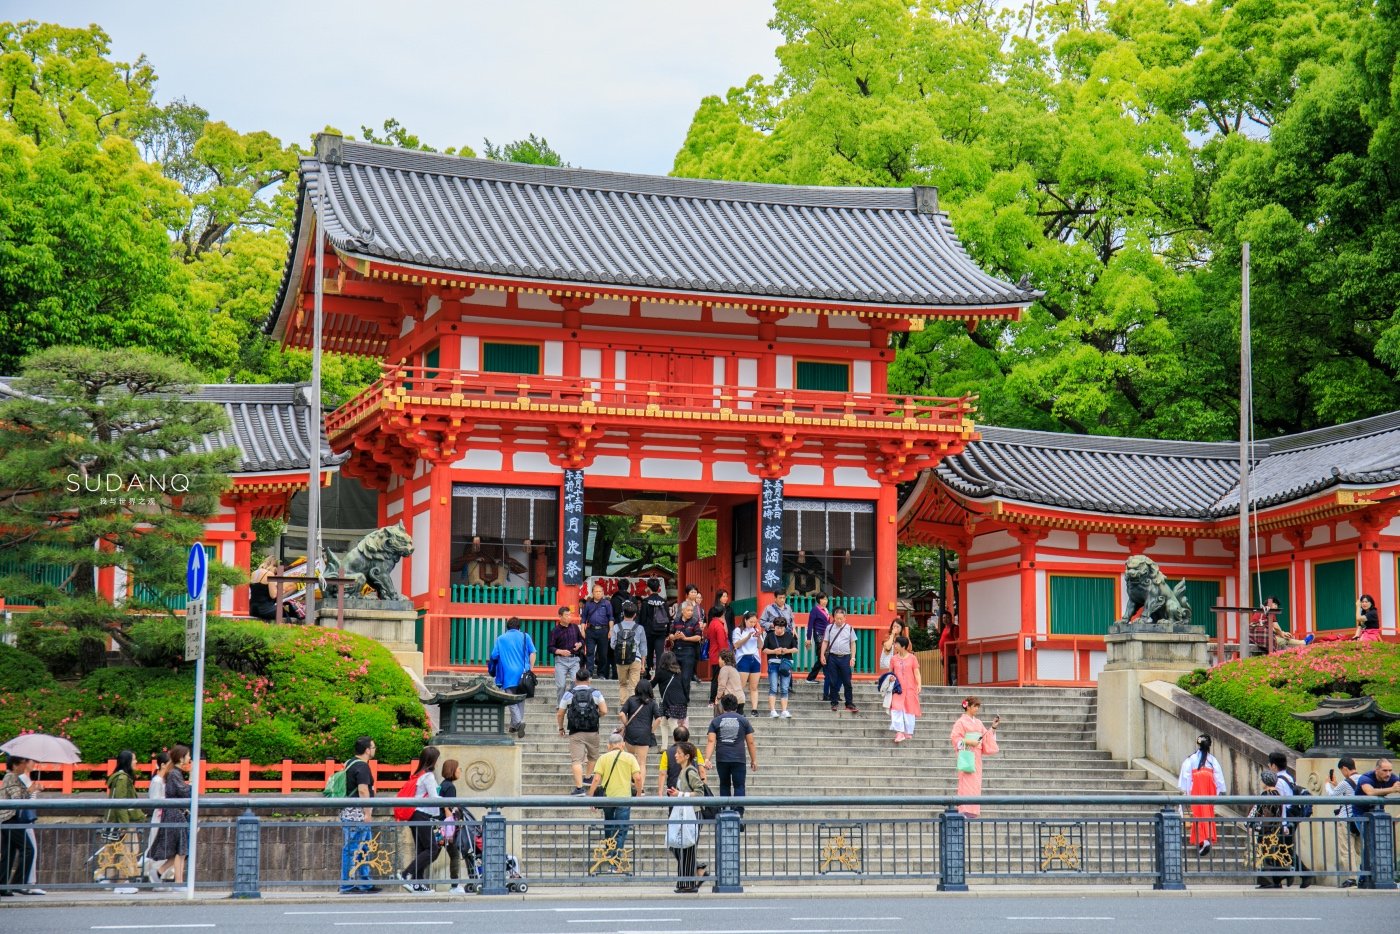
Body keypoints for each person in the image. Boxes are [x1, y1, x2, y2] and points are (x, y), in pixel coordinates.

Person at [589, 732, 643, 856]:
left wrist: (590, 797)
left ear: (609, 746)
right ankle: (617, 858)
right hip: (624, 799)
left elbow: (596, 779)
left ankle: (609, 851)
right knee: (621, 828)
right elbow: (638, 778)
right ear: (623, 745)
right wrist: (639, 794)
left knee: (609, 824)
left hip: (607, 799)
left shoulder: (603, 758)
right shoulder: (630, 758)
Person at [338, 736, 380, 894]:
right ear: (367, 750)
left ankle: (365, 883)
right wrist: (367, 813)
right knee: (353, 848)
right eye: (373, 747)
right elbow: (363, 790)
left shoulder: (349, 763)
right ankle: (347, 884)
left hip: (349, 811)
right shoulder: (362, 766)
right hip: (358, 813)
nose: (374, 750)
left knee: (364, 848)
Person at [705, 694, 758, 817]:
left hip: (722, 758)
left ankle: (726, 811)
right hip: (739, 758)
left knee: (724, 784)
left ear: (722, 706)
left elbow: (711, 741)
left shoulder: (716, 721)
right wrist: (754, 759)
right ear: (736, 706)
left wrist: (707, 759)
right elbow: (750, 741)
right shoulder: (743, 720)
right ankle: (738, 813)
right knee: (739, 785)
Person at [398, 745, 442, 893]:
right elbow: (434, 798)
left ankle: (418, 883)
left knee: (422, 850)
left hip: (414, 814)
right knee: (432, 849)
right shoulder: (428, 777)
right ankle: (406, 874)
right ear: (433, 760)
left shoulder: (418, 775)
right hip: (422, 814)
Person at [666, 741, 708, 893]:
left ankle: (688, 883)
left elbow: (700, 792)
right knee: (680, 847)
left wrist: (680, 794)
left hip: (693, 813)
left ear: (687, 756)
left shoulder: (690, 771)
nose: (675, 755)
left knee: (688, 848)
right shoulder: (683, 770)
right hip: (685, 813)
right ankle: (693, 874)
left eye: (678, 753)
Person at [1267, 750, 1313, 887]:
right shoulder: (1289, 777)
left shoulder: (1278, 782)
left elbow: (1281, 804)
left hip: (1286, 818)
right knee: (1284, 847)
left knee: (1285, 848)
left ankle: (1302, 873)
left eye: (1270, 765)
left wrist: (1284, 824)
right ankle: (1281, 876)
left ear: (1274, 766)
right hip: (1291, 816)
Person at [558, 670, 608, 796]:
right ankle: (587, 777)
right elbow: (604, 710)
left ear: (575, 680)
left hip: (575, 731)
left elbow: (560, 713)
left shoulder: (568, 694)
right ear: (589, 680)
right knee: (593, 756)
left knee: (576, 760)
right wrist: (596, 716)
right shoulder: (596, 693)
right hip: (592, 730)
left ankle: (579, 788)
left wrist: (561, 728)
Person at [102, 750, 146, 893]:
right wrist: (125, 825)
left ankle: (109, 879)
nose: (136, 762)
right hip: (124, 821)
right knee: (128, 851)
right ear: (128, 761)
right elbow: (121, 803)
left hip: (114, 820)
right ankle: (122, 883)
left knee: (114, 850)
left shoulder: (118, 777)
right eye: (134, 759)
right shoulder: (123, 779)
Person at [1177, 734, 1227, 856]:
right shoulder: (1213, 760)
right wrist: (1217, 792)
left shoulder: (1191, 759)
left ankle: (1203, 841)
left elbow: (1186, 777)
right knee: (1207, 813)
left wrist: (1188, 792)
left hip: (1197, 787)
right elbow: (1219, 779)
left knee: (1197, 814)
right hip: (1209, 788)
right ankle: (1204, 840)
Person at [149, 745, 192, 886]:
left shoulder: (175, 773)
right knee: (181, 850)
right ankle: (177, 881)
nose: (189, 758)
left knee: (181, 850)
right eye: (188, 756)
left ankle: (161, 873)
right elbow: (184, 792)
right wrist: (191, 781)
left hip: (176, 813)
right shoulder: (174, 773)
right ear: (181, 758)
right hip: (175, 814)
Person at [950, 697, 1000, 817]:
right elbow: (955, 738)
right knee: (966, 782)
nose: (977, 709)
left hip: (976, 756)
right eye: (975, 706)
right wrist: (969, 742)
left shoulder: (978, 722)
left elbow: (985, 736)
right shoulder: (961, 722)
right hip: (967, 753)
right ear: (968, 706)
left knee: (975, 782)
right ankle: (964, 809)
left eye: (978, 706)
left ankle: (973, 810)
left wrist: (993, 727)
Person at [1354, 757, 1398, 887]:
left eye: (1390, 770)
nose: (1388, 774)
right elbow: (1370, 792)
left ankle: (1381, 877)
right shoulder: (1366, 778)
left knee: (1381, 843)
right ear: (1376, 770)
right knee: (1369, 843)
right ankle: (1363, 878)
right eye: (1385, 770)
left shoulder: (1393, 779)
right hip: (1361, 814)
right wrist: (1392, 789)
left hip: (1379, 813)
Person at [0, 754, 40, 896]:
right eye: (23, 763)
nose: (25, 766)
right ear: (16, 765)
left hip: (6, 819)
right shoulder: (11, 777)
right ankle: (17, 883)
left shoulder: (11, 777)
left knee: (8, 853)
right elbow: (17, 799)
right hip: (11, 818)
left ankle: (3, 886)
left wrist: (31, 790)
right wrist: (30, 791)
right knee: (28, 849)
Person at [491, 617, 537, 737]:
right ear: (519, 627)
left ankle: (518, 722)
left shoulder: (500, 639)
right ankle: (514, 726)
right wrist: (530, 668)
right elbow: (533, 652)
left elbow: (494, 655)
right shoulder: (525, 636)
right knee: (520, 700)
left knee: (511, 700)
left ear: (507, 627)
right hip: (523, 674)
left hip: (508, 674)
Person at [1325, 755, 1362, 888]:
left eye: (1342, 771)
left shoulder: (1345, 782)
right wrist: (1336, 785)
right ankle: (1367, 873)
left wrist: (1327, 785)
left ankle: (1352, 878)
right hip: (1360, 819)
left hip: (1346, 820)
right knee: (1361, 849)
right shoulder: (1364, 779)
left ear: (1345, 768)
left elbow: (1331, 796)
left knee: (1346, 850)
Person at [1247, 770, 1288, 888]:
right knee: (1273, 853)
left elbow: (1257, 811)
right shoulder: (1278, 794)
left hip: (1265, 830)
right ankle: (1276, 881)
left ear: (1265, 781)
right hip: (1276, 829)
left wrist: (1250, 825)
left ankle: (1267, 881)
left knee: (1264, 854)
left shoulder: (1265, 795)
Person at [619, 679, 660, 790]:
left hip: (631, 733)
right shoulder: (652, 702)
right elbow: (659, 719)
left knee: (631, 758)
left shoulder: (631, 700)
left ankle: (630, 783)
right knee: (642, 762)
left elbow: (621, 714)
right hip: (644, 733)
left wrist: (626, 724)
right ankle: (640, 789)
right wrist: (651, 730)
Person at [821, 607, 859, 714]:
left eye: (841, 619)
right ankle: (834, 702)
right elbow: (825, 641)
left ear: (845, 618)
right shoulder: (829, 628)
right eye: (837, 618)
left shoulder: (849, 628)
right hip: (832, 657)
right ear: (834, 618)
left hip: (845, 657)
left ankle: (849, 703)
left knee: (847, 681)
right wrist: (822, 655)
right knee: (833, 680)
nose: (839, 621)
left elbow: (853, 643)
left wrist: (853, 657)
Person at [438, 759, 467, 895]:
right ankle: (455, 885)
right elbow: (447, 808)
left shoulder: (444, 785)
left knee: (431, 853)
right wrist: (451, 830)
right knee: (455, 855)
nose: (460, 770)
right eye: (458, 768)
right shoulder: (450, 787)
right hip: (445, 827)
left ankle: (413, 877)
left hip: (439, 825)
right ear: (452, 770)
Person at [887, 635, 922, 744]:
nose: (894, 645)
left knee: (909, 709)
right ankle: (899, 732)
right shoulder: (893, 659)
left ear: (903, 646)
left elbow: (916, 672)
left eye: (896, 644)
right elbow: (890, 672)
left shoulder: (912, 658)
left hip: (910, 688)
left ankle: (908, 731)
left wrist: (919, 684)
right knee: (896, 709)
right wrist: (890, 678)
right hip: (897, 688)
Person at [611, 601, 648, 705]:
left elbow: (613, 645)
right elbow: (643, 648)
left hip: (621, 659)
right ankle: (632, 708)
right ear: (635, 615)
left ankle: (623, 707)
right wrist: (643, 665)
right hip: (635, 659)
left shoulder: (616, 627)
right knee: (633, 686)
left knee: (623, 684)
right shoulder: (640, 628)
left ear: (623, 613)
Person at [249, 555, 305, 622]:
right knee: (292, 614)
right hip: (265, 610)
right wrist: (284, 590)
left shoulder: (254, 573)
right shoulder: (269, 574)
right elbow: (273, 595)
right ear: (274, 566)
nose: (275, 572)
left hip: (253, 609)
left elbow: (261, 590)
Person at [143, 750, 170, 886]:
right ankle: (150, 875)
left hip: (164, 816)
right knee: (155, 847)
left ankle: (157, 877)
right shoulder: (157, 780)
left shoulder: (163, 780)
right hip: (159, 816)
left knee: (161, 848)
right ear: (164, 765)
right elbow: (154, 800)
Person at [763, 616, 798, 719]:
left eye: (782, 628)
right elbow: (764, 650)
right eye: (778, 628)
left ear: (785, 627)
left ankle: (784, 710)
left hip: (785, 663)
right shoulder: (769, 636)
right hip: (773, 663)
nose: (779, 630)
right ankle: (773, 710)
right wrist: (774, 651)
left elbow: (795, 649)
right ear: (774, 627)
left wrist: (786, 650)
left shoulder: (789, 636)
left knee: (784, 688)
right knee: (773, 687)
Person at [549, 606, 586, 704]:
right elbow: (550, 647)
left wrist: (580, 644)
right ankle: (560, 705)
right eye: (567, 615)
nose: (569, 617)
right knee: (561, 685)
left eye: (570, 615)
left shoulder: (574, 627)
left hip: (574, 659)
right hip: (561, 661)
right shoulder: (555, 631)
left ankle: (573, 703)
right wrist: (560, 651)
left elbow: (582, 639)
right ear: (560, 616)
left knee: (576, 682)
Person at [658, 726, 708, 797]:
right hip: (692, 790)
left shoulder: (667, 753)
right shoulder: (696, 751)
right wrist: (705, 786)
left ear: (674, 738)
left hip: (673, 790)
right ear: (688, 738)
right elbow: (702, 771)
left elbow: (662, 773)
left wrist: (660, 792)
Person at [670, 601, 704, 697]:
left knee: (685, 677)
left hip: (689, 651)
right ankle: (675, 698)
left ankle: (685, 699)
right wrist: (675, 637)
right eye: (688, 610)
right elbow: (670, 635)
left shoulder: (694, 621)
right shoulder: (676, 621)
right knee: (675, 677)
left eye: (691, 610)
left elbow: (698, 637)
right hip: (676, 651)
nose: (690, 612)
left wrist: (685, 638)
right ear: (682, 611)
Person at [581, 582, 615, 679]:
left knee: (603, 654)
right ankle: (589, 673)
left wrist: (611, 630)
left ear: (603, 593)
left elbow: (611, 618)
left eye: (600, 591)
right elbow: (583, 618)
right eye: (596, 591)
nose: (598, 593)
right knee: (590, 652)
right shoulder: (588, 604)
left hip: (603, 631)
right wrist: (583, 630)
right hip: (590, 630)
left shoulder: (607, 603)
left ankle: (601, 674)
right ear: (592, 593)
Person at [731, 610, 763, 712]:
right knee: (741, 685)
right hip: (743, 658)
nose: (753, 624)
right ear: (745, 620)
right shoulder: (738, 630)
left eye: (755, 622)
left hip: (755, 658)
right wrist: (748, 637)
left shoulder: (756, 630)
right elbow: (736, 645)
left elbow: (760, 646)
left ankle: (754, 709)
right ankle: (739, 708)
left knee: (754, 686)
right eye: (751, 622)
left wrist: (758, 637)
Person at [705, 592, 733, 704]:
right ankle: (713, 700)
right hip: (719, 656)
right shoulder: (719, 626)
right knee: (718, 679)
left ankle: (714, 699)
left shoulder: (712, 623)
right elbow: (722, 643)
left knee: (716, 678)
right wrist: (726, 657)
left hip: (714, 653)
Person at [641, 579, 671, 680]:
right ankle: (659, 676)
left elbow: (643, 619)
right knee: (659, 654)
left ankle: (648, 673)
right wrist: (667, 633)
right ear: (659, 588)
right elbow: (668, 618)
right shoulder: (663, 602)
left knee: (649, 653)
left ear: (648, 588)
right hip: (661, 632)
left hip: (648, 632)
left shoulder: (645, 601)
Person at [656, 650, 689, 733]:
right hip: (681, 703)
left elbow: (651, 685)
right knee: (663, 722)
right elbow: (685, 687)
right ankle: (664, 746)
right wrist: (686, 700)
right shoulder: (678, 672)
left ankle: (680, 742)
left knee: (673, 724)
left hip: (669, 703)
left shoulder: (661, 672)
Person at [805, 592, 831, 693]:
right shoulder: (815, 610)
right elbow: (810, 625)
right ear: (818, 600)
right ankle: (825, 676)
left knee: (822, 656)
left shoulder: (826, 610)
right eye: (823, 599)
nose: (825, 601)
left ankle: (811, 677)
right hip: (819, 635)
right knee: (823, 655)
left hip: (826, 636)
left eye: (826, 599)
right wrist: (808, 638)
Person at [713, 648, 744, 716]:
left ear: (723, 660)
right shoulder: (734, 669)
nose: (718, 661)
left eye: (719, 659)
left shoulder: (724, 669)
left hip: (731, 700)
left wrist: (717, 698)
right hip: (741, 698)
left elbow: (722, 685)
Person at [938, 611, 958, 686]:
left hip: (952, 654)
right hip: (944, 654)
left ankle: (953, 685)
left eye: (947, 617)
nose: (945, 619)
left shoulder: (954, 628)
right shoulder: (945, 628)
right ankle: (949, 685)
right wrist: (941, 654)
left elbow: (957, 640)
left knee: (952, 672)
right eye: (943, 618)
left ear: (951, 618)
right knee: (947, 672)